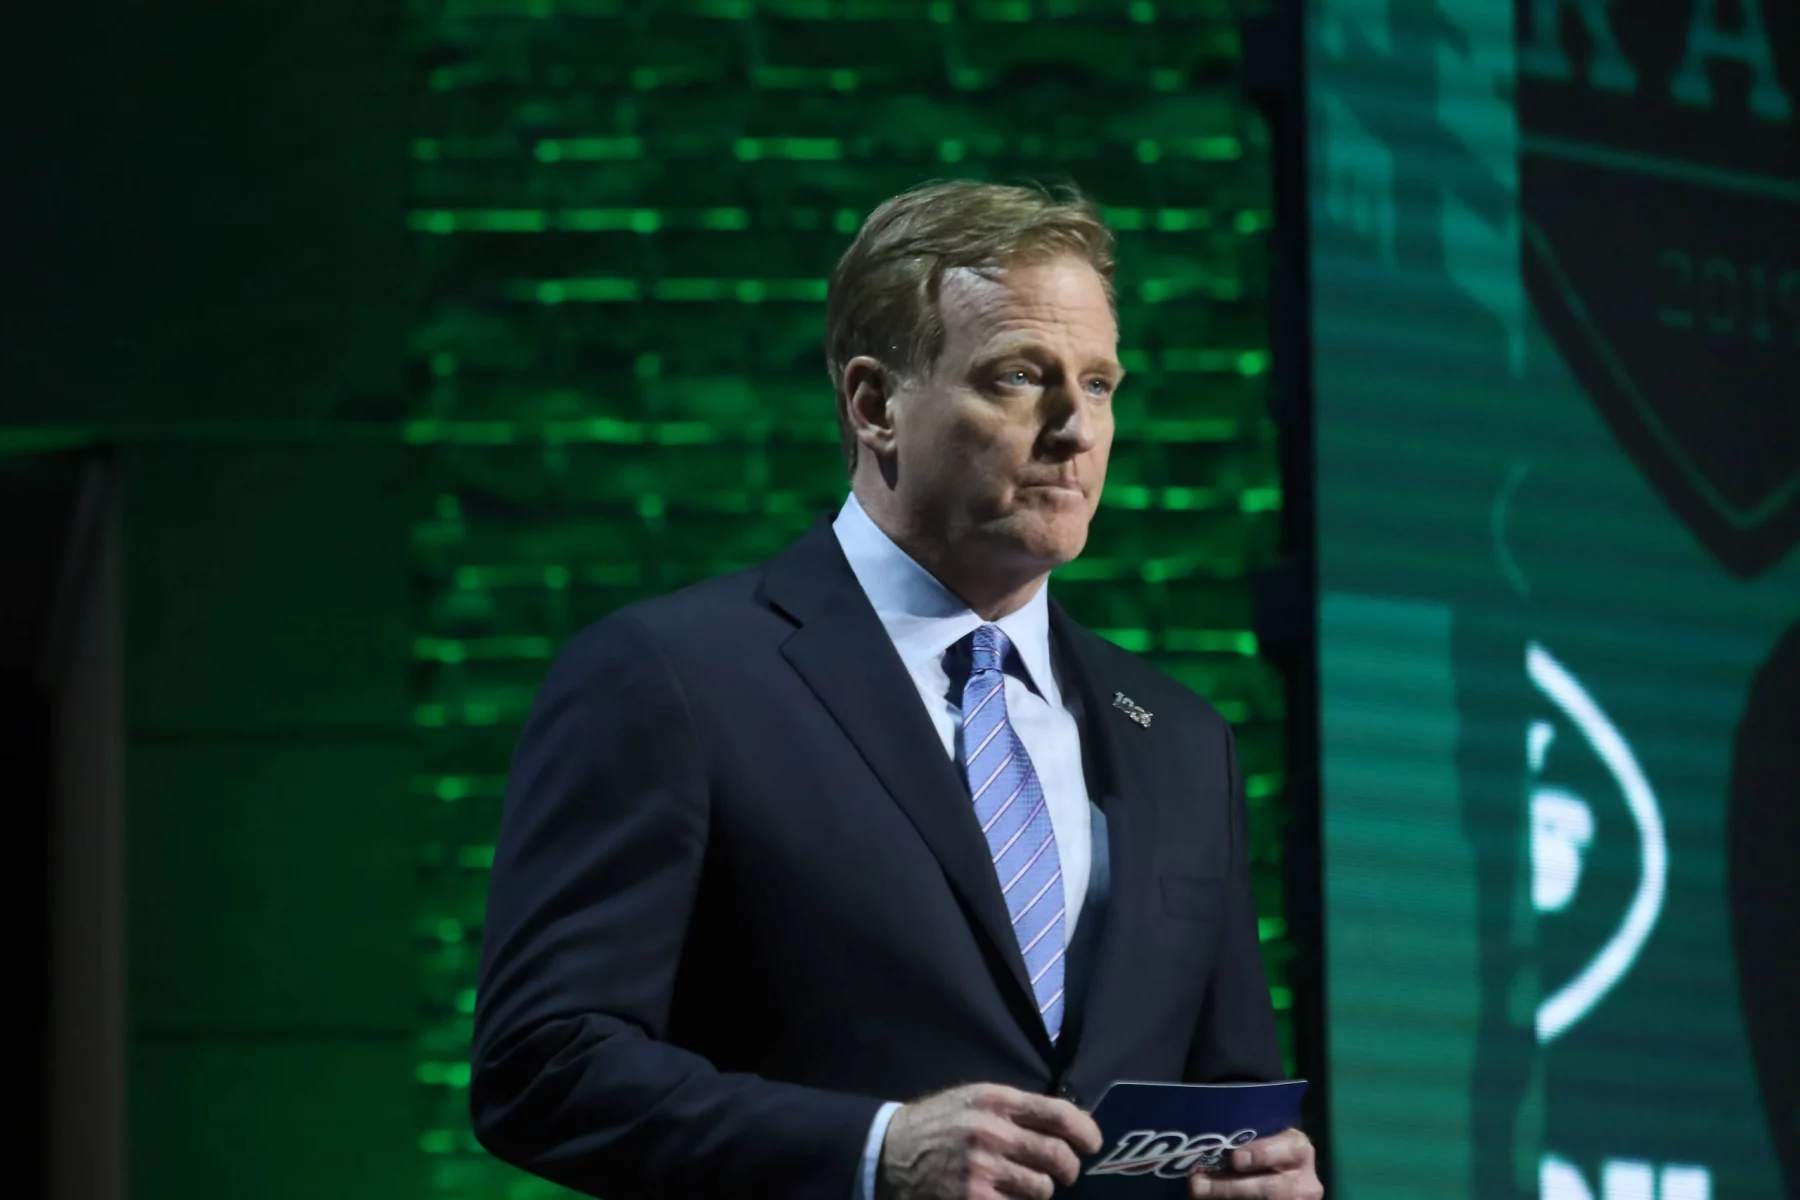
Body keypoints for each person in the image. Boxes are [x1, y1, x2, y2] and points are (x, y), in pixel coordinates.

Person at [470, 179, 1323, 1200]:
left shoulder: (1180, 737)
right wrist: (874, 1152)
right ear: (874, 403)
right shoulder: (673, 680)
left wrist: (1260, 1175)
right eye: (1020, 376)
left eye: (1098, 385)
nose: (1075, 429)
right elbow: (544, 1065)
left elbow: (1222, 1095)